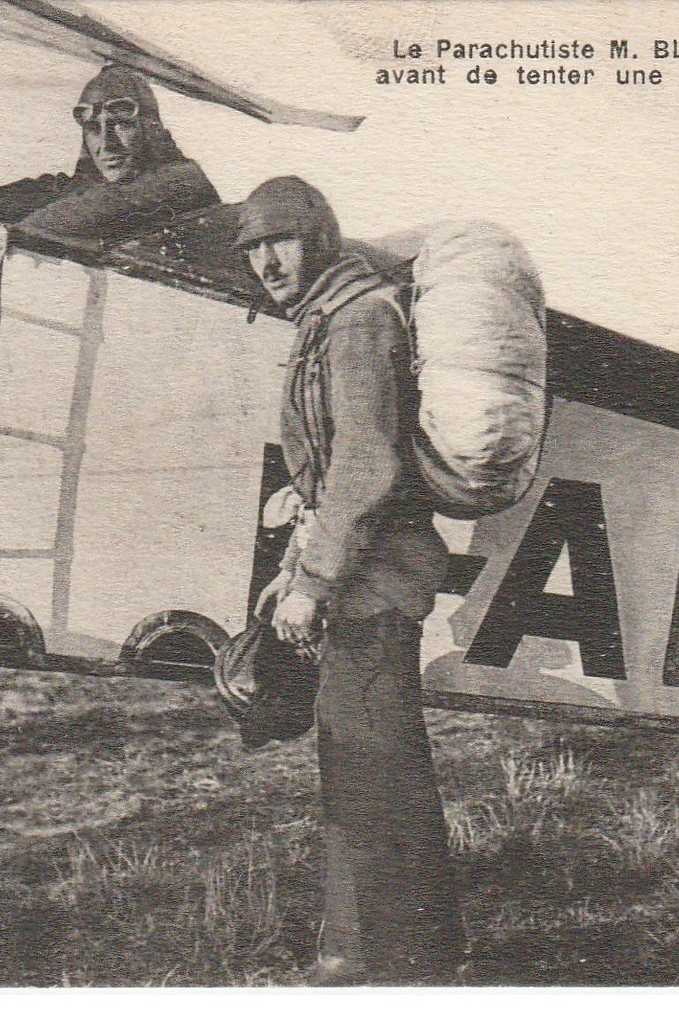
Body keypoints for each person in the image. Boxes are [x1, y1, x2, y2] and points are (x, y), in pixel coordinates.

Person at [238, 177, 464, 985]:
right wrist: (300, 534)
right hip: (359, 580)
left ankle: (398, 964)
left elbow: (368, 462)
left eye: (280, 240)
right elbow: (343, 458)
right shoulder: (327, 318)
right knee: (359, 763)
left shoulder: (356, 319)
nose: (266, 260)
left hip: (375, 584)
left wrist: (314, 580)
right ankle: (371, 951)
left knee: (374, 768)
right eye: (252, 247)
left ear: (319, 237)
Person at [0, 65, 218, 243]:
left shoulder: (183, 182)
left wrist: (14, 237)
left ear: (150, 129)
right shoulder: (84, 188)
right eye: (94, 129)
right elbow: (42, 196)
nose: (107, 145)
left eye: (122, 125)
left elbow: (97, 208)